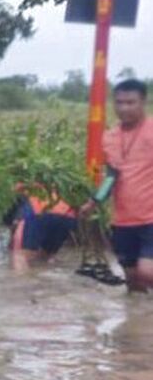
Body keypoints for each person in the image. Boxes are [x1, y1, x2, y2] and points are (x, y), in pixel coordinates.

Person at [81, 79, 153, 292]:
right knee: (132, 280)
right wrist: (94, 201)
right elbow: (112, 175)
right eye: (119, 102)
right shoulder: (110, 137)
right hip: (122, 220)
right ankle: (139, 323)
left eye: (131, 102)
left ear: (143, 102)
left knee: (146, 272)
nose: (124, 108)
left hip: (151, 219)